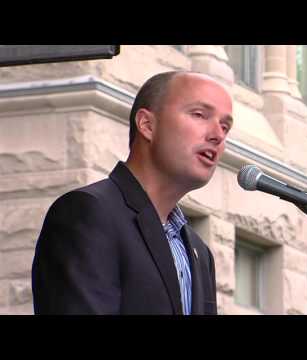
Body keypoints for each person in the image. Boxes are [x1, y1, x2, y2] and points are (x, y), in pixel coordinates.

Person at [31, 71, 234, 314]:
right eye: (199, 115)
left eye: (225, 126)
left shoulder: (199, 251)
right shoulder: (89, 212)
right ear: (147, 125)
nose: (217, 135)